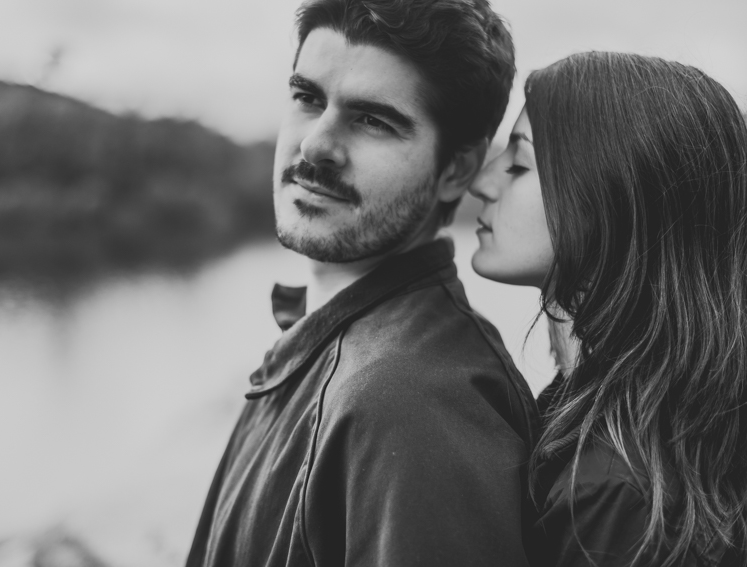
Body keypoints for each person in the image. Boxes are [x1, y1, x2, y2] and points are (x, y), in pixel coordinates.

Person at [185, 1, 538, 566]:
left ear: (457, 170)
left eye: (373, 119)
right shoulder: (346, 347)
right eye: (308, 97)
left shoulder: (415, 405)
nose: (316, 145)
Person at [468, 51, 747, 566]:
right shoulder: (648, 434)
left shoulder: (614, 492)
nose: (481, 184)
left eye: (519, 164)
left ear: (608, 195)